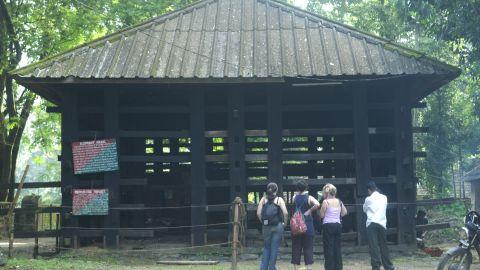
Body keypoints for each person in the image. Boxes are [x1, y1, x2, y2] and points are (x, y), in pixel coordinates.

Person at [363, 181, 395, 270]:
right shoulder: (384, 197)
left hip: (371, 224)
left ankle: (376, 267)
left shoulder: (368, 199)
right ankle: (388, 266)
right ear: (376, 188)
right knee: (383, 246)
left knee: (374, 247)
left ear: (369, 190)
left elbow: (364, 209)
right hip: (382, 223)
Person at [257, 182, 288, 270]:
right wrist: (284, 224)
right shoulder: (279, 199)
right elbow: (285, 213)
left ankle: (263, 268)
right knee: (274, 248)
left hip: (266, 226)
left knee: (266, 247)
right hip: (277, 225)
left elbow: (258, 213)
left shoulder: (263, 199)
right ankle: (272, 268)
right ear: (276, 190)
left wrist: (263, 222)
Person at [291, 180, 320, 270]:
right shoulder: (309, 197)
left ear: (297, 188)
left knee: (296, 246)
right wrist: (309, 211)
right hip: (307, 224)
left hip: (296, 225)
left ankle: (296, 267)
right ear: (306, 188)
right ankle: (309, 267)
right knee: (308, 247)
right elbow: (317, 204)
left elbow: (294, 207)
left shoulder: (294, 197)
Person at [320, 183, 347, 270]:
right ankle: (338, 267)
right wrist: (337, 215)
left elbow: (321, 215)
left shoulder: (325, 202)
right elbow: (344, 212)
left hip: (328, 225)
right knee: (337, 247)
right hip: (337, 225)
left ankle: (329, 267)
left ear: (327, 193)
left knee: (328, 247)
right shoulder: (339, 201)